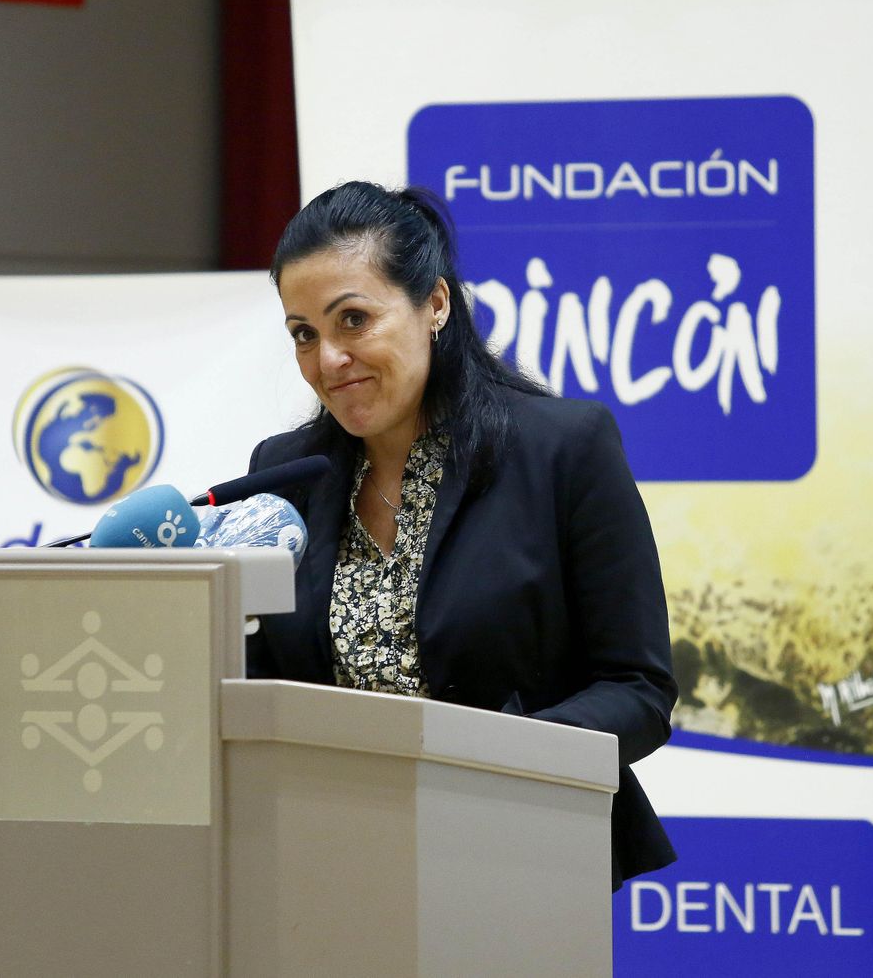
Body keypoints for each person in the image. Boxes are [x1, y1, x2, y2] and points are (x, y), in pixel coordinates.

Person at [246, 180, 678, 889]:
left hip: (519, 857)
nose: (328, 361)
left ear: (436, 304)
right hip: (325, 862)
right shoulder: (285, 473)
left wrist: (488, 761)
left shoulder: (562, 448)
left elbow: (638, 689)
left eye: (353, 320)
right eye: (304, 334)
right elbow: (257, 681)